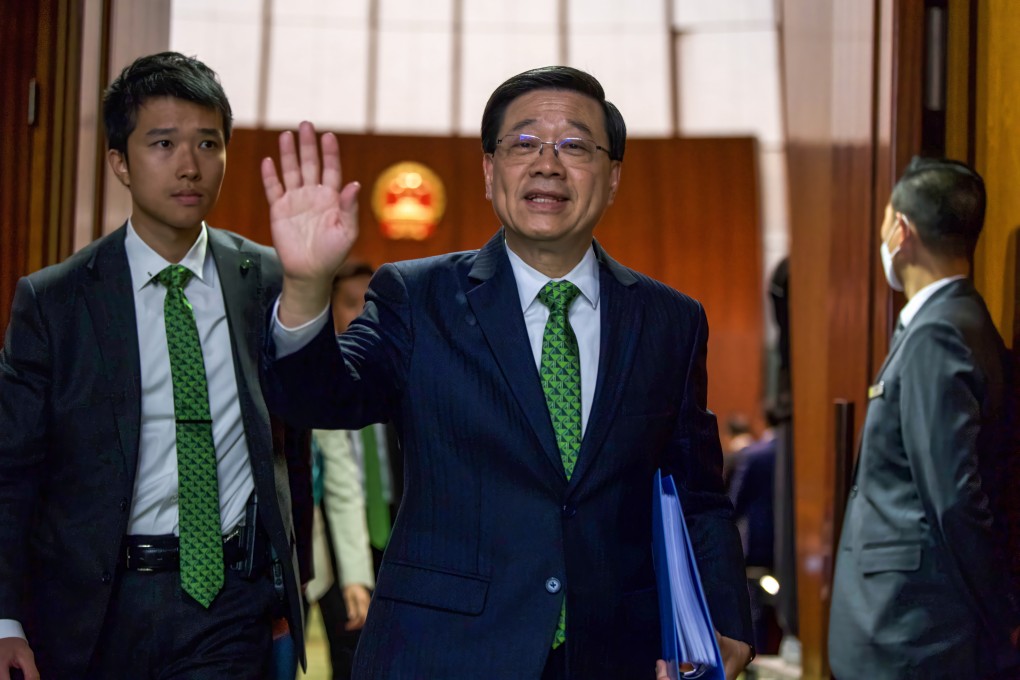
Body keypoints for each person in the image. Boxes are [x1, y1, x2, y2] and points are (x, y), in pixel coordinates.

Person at [260, 66, 754, 679]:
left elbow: (699, 495)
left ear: (614, 175)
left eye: (575, 145)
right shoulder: (418, 297)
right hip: (445, 652)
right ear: (490, 170)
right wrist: (308, 287)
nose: (548, 164)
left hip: (615, 653)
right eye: (523, 143)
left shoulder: (670, 322)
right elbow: (322, 400)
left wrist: (727, 620)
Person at [0, 52, 310, 679]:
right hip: (95, 600)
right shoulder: (56, 300)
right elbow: (12, 472)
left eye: (208, 143)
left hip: (227, 599)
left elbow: (295, 435)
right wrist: (6, 619)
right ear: (120, 161)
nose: (189, 166)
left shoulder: (266, 277)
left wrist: (285, 582)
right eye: (163, 143)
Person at [828, 157, 1020, 679]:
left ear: (901, 230)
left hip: (909, 630)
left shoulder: (939, 332)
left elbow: (953, 497)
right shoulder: (959, 320)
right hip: (913, 627)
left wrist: (1002, 614)